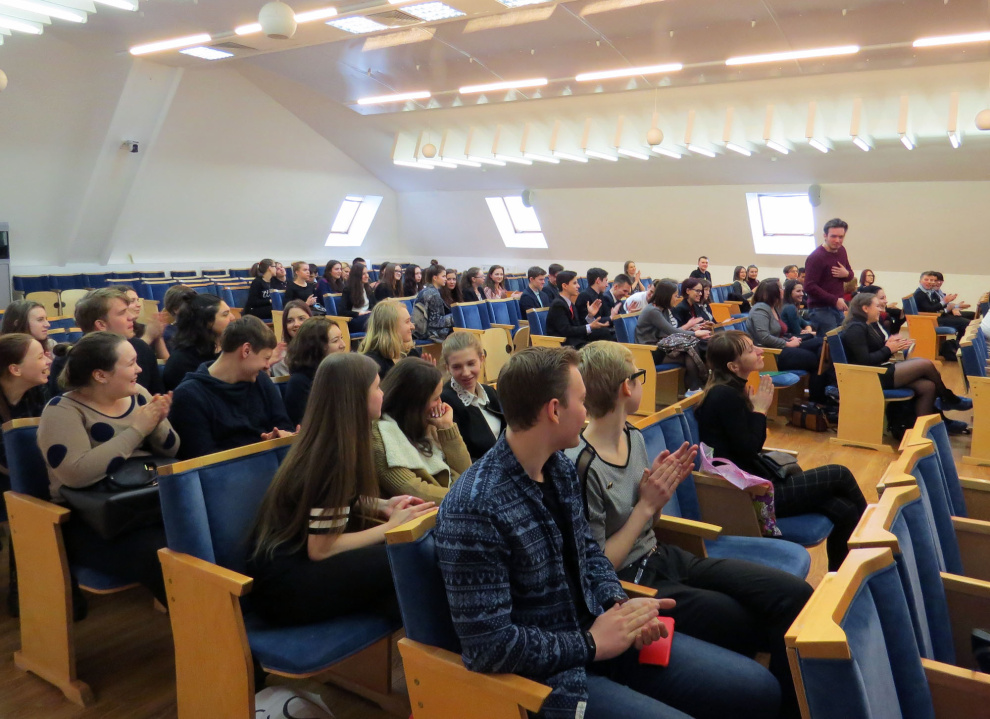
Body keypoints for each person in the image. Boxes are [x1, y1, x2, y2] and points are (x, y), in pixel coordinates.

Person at [435, 346, 783, 719]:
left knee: (759, 690)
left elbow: (589, 555)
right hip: (551, 679)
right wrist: (591, 643)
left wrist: (619, 606)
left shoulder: (557, 467)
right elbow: (488, 648)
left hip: (598, 636)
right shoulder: (474, 508)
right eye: (581, 400)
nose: (587, 412)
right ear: (555, 410)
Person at [570, 341, 812, 718]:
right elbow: (599, 566)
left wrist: (658, 498)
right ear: (626, 388)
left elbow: (650, 527)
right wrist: (646, 505)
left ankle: (791, 706)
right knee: (748, 621)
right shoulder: (584, 466)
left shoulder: (633, 437)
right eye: (638, 376)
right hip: (632, 582)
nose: (641, 383)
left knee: (792, 594)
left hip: (664, 556)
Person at [246, 352, 435, 627]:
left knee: (402, 590)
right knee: (411, 556)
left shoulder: (332, 440)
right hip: (284, 585)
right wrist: (390, 526)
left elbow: (331, 502)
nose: (382, 393)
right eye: (376, 387)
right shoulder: (332, 456)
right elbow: (321, 549)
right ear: (356, 397)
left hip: (297, 567)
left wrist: (381, 505)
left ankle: (421, 645)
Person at [695, 331, 867, 570]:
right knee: (840, 473)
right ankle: (871, 541)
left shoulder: (731, 389)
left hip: (757, 482)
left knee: (844, 510)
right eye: (750, 350)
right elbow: (749, 449)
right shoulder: (724, 395)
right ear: (733, 366)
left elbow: (746, 447)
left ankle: (843, 576)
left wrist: (756, 411)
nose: (760, 350)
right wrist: (760, 411)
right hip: (749, 496)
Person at [38, 331, 178, 606]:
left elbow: (171, 450)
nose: (139, 369)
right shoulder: (61, 410)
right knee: (163, 555)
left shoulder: (138, 394)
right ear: (100, 375)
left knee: (203, 535)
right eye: (131, 363)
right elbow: (76, 473)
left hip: (144, 504)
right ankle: (207, 625)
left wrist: (158, 422)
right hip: (91, 520)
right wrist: (137, 430)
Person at [841, 293, 971, 434]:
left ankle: (922, 432)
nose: (880, 309)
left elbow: (874, 352)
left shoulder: (866, 325)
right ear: (865, 308)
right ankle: (948, 398)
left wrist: (890, 345)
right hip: (868, 376)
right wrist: (888, 348)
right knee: (924, 364)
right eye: (877, 306)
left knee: (928, 387)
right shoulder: (856, 328)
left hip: (878, 370)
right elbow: (864, 361)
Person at [169, 316, 294, 459]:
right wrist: (261, 450)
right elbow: (203, 460)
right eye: (266, 358)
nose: (267, 366)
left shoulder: (261, 380)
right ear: (246, 350)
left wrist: (281, 437)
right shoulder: (188, 397)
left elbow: (284, 424)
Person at [0, 333, 52, 616]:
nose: (49, 360)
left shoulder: (38, 392)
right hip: (6, 476)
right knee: (24, 502)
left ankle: (39, 585)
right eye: (40, 356)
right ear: (15, 369)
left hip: (19, 473)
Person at [372, 357, 471, 503]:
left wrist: (447, 428)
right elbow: (418, 492)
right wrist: (469, 496)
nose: (441, 404)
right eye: (436, 398)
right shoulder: (380, 436)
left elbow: (467, 475)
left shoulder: (427, 424)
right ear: (415, 404)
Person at [50, 288, 164, 396]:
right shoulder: (67, 359)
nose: (131, 317)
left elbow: (157, 396)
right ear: (101, 324)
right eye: (122, 313)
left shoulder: (141, 348)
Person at [635, 280, 710, 392]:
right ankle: (696, 387)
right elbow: (671, 331)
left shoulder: (663, 309)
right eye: (675, 296)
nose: (677, 299)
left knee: (691, 351)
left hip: (660, 347)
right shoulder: (653, 311)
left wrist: (691, 330)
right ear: (667, 296)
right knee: (691, 352)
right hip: (650, 351)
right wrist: (695, 333)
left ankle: (693, 388)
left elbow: (670, 331)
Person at [440, 332, 503, 460]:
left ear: (481, 359)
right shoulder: (445, 402)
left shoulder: (489, 392)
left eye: (471, 364)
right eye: (457, 367)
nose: (466, 373)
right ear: (447, 368)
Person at [745, 279, 822, 376]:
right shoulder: (760, 309)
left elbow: (778, 333)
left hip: (780, 346)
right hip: (772, 353)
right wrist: (787, 343)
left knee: (821, 342)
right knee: (813, 358)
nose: (783, 290)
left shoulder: (773, 307)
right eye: (781, 288)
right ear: (773, 292)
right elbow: (764, 337)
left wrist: (790, 338)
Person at [284, 317, 346, 426]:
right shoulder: (299, 383)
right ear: (317, 347)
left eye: (341, 338)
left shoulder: (339, 374)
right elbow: (311, 425)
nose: (343, 345)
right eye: (335, 341)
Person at [162, 294, 232, 391]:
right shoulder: (182, 361)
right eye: (225, 314)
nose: (232, 318)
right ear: (207, 321)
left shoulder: (228, 348)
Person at [803, 218, 853, 335]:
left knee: (842, 338)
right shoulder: (816, 257)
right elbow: (809, 286)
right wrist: (834, 300)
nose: (837, 240)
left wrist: (846, 274)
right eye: (833, 236)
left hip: (837, 306)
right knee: (830, 342)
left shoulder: (842, 250)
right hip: (821, 309)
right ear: (825, 235)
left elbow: (850, 275)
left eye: (841, 237)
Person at [547, 271, 612, 350]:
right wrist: (590, 326)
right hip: (564, 344)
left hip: (576, 340)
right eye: (575, 283)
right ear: (564, 286)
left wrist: (590, 316)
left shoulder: (570, 303)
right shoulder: (558, 304)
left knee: (604, 333)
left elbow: (579, 325)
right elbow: (566, 330)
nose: (578, 286)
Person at [358, 301, 422, 379]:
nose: (413, 327)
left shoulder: (411, 354)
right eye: (407, 322)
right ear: (391, 327)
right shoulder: (373, 364)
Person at [913, 271, 969, 348]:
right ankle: (959, 348)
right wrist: (944, 302)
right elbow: (930, 309)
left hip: (936, 316)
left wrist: (952, 305)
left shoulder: (929, 291)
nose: (929, 282)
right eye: (926, 279)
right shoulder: (919, 294)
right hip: (930, 320)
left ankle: (957, 346)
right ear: (920, 281)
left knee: (967, 322)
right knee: (966, 323)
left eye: (932, 280)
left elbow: (936, 306)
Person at [270, 300, 313, 377]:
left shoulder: (323, 346)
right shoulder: (281, 356)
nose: (296, 324)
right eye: (290, 321)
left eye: (301, 318)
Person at [417, 265, 454, 341]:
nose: (445, 279)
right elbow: (435, 322)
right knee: (459, 330)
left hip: (423, 330)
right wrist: (454, 317)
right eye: (443, 276)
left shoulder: (426, 290)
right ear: (435, 278)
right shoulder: (433, 294)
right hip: (429, 333)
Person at [340, 262, 376, 333]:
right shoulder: (348, 290)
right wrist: (358, 313)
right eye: (363, 274)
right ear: (356, 276)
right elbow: (342, 312)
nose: (367, 276)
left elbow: (374, 305)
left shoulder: (368, 289)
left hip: (368, 316)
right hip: (355, 319)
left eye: (367, 273)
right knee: (373, 319)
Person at [160, 284, 198, 352]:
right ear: (176, 309)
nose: (196, 307)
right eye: (190, 304)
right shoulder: (168, 335)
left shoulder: (201, 328)